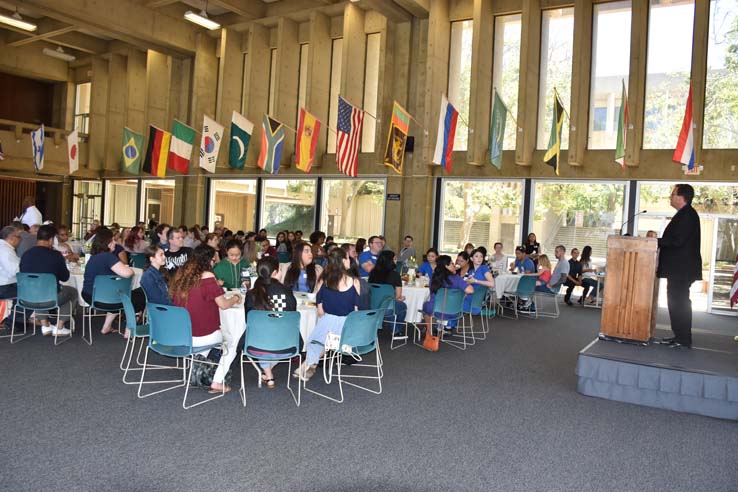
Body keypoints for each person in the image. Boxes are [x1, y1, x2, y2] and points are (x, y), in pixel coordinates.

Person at [170, 245, 242, 393]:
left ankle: (196, 371)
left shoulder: (181, 275)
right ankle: (216, 381)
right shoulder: (208, 276)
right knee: (233, 342)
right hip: (202, 335)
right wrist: (235, 298)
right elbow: (223, 304)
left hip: (183, 334)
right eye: (214, 259)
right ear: (209, 261)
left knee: (208, 333)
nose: (216, 262)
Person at [294, 248, 361, 382]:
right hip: (348, 328)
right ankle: (310, 364)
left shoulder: (323, 281)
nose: (350, 260)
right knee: (326, 339)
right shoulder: (354, 281)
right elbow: (355, 311)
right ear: (343, 261)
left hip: (329, 323)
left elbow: (320, 310)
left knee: (317, 339)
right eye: (348, 258)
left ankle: (309, 364)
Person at [658, 184, 701, 349]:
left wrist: (657, 242)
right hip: (678, 269)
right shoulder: (684, 214)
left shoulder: (688, 215)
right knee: (676, 302)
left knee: (680, 302)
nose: (670, 196)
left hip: (681, 270)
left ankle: (683, 338)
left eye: (672, 194)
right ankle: (679, 335)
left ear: (681, 197)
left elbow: (678, 241)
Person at [244, 256, 297, 388]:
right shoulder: (286, 291)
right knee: (275, 333)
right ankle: (268, 374)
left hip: (257, 344)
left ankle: (268, 374)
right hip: (287, 343)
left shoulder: (252, 293)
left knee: (263, 333)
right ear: (275, 273)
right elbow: (291, 315)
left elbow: (248, 320)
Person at [19, 225, 77, 336]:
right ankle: (59, 327)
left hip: (26, 297)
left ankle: (45, 325)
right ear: (51, 239)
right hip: (48, 299)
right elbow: (65, 277)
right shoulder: (55, 255)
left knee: (39, 289)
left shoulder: (26, 255)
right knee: (72, 292)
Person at [82, 227, 138, 335]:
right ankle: (130, 328)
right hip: (107, 299)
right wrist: (130, 269)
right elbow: (127, 273)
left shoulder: (93, 257)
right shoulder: (109, 257)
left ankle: (106, 327)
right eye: (113, 240)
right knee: (137, 295)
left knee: (115, 292)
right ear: (107, 243)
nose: (115, 243)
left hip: (89, 296)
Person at [421, 255, 474, 332]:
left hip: (435, 310)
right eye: (452, 263)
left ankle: (429, 330)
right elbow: (470, 290)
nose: (454, 265)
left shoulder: (433, 278)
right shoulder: (456, 278)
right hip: (454, 311)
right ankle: (439, 326)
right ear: (446, 266)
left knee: (426, 305)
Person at [368, 250, 407, 330]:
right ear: (390, 261)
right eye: (395, 259)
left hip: (372, 306)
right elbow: (397, 296)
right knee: (402, 306)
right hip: (388, 308)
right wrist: (401, 298)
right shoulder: (395, 275)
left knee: (391, 302)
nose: (396, 261)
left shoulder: (372, 273)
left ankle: (387, 324)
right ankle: (396, 330)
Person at [464, 249, 495, 314]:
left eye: (481, 256)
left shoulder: (484, 268)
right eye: (476, 256)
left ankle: (447, 322)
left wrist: (475, 281)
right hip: (470, 297)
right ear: (471, 259)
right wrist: (468, 282)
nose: (479, 258)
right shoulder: (471, 271)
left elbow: (492, 284)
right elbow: (469, 284)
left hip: (476, 300)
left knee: (451, 303)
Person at [0, 225, 22, 299]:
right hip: (5, 287)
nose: (20, 240)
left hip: (3, 285)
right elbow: (15, 271)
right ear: (13, 238)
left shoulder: (2, 247)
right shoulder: (6, 250)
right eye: (19, 237)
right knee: (31, 292)